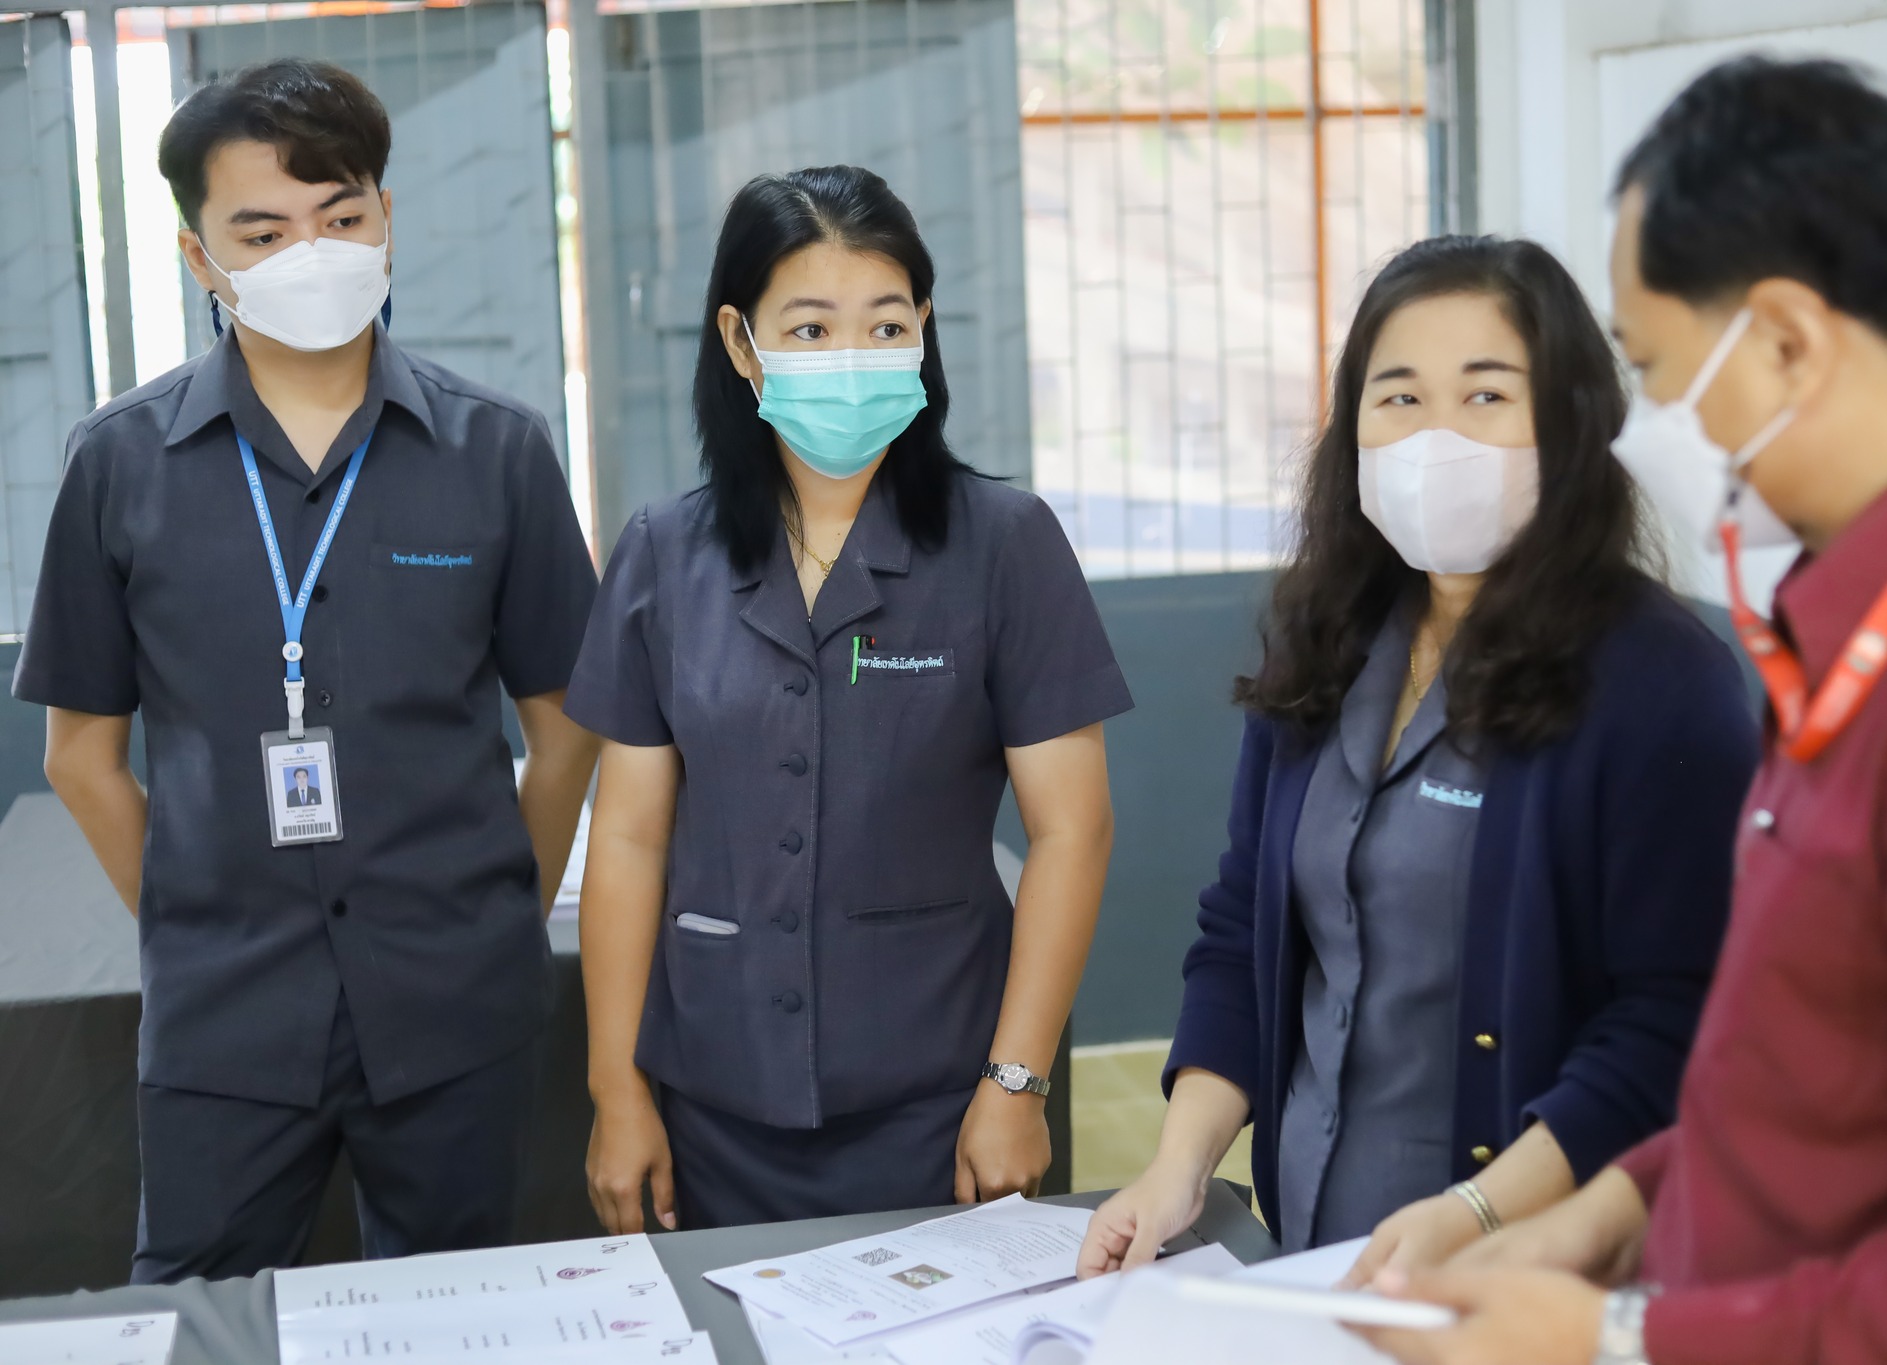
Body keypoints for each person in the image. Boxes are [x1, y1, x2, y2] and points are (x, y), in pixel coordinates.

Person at [1353, 56, 1887, 1365]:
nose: (1645, 425)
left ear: (1787, 338)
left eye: (1660, 370)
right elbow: (1809, 1094)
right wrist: (1612, 1212)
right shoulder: (1863, 626)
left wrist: (1618, 1340)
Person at [14, 59, 599, 1282]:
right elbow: (81, 755)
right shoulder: (117, 465)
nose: (312, 251)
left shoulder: (497, 452)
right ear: (199, 257)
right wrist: (193, 916)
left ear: (386, 219)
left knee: (458, 1317)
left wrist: (493, 914)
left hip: (458, 1012)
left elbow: (564, 733)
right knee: (195, 1320)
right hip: (223, 1022)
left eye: (339, 217)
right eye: (264, 230)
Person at [1076, 236, 1758, 1278]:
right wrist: (1177, 1167)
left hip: (1529, 1272)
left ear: (1569, 423)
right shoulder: (1325, 638)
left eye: (1485, 397)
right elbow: (1242, 935)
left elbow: (1671, 1021)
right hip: (1304, 1253)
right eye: (1396, 398)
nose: (1434, 436)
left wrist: (1478, 1211)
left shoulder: (1662, 685)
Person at [567, 165, 1131, 1231]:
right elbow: (630, 838)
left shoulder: (1005, 546)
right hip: (711, 1104)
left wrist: (1015, 1084)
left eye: (883, 326)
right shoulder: (660, 555)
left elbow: (1073, 832)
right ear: (741, 344)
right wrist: (614, 1088)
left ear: (922, 328)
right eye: (812, 331)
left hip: (941, 1099)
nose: (851, 360)